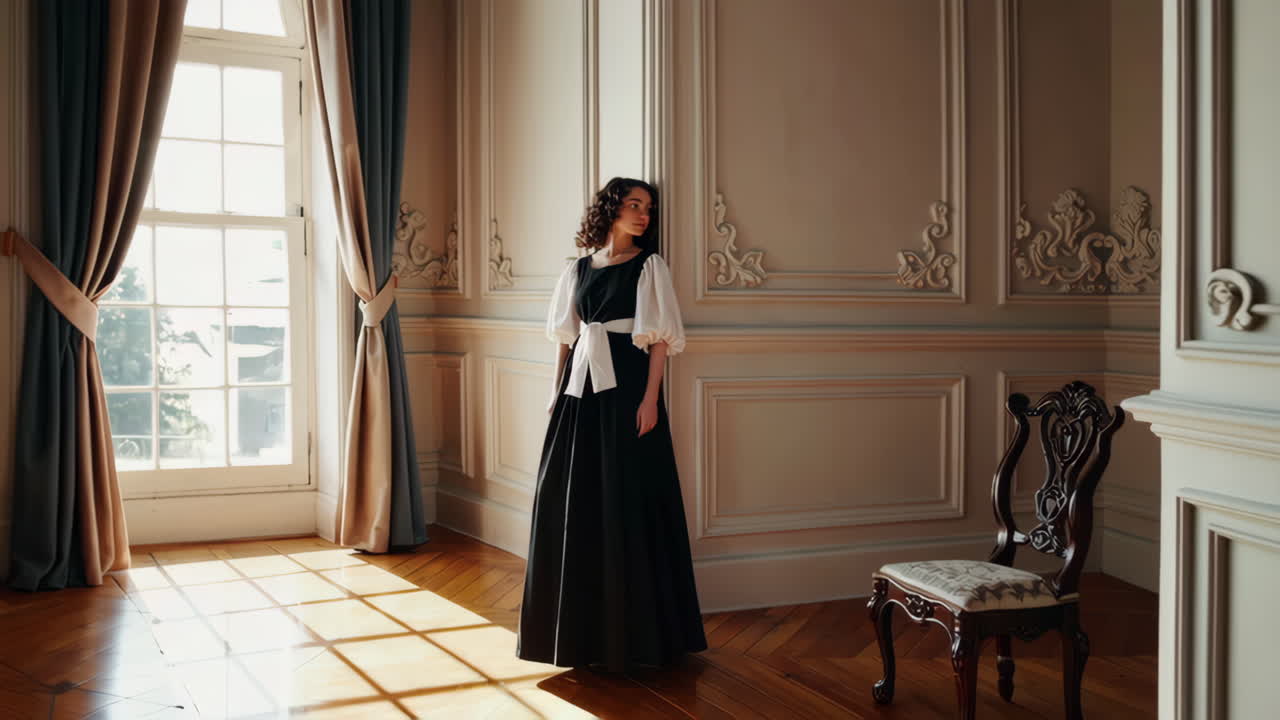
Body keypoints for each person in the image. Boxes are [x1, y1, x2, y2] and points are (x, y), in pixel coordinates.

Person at [516, 177, 708, 672]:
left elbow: (660, 341)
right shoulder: (577, 269)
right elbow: (566, 337)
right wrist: (556, 394)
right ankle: (579, 633)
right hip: (580, 390)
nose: (644, 215)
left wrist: (651, 400)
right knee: (572, 498)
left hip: (627, 388)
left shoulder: (649, 266)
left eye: (649, 207)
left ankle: (640, 634)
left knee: (628, 498)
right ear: (611, 210)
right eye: (633, 205)